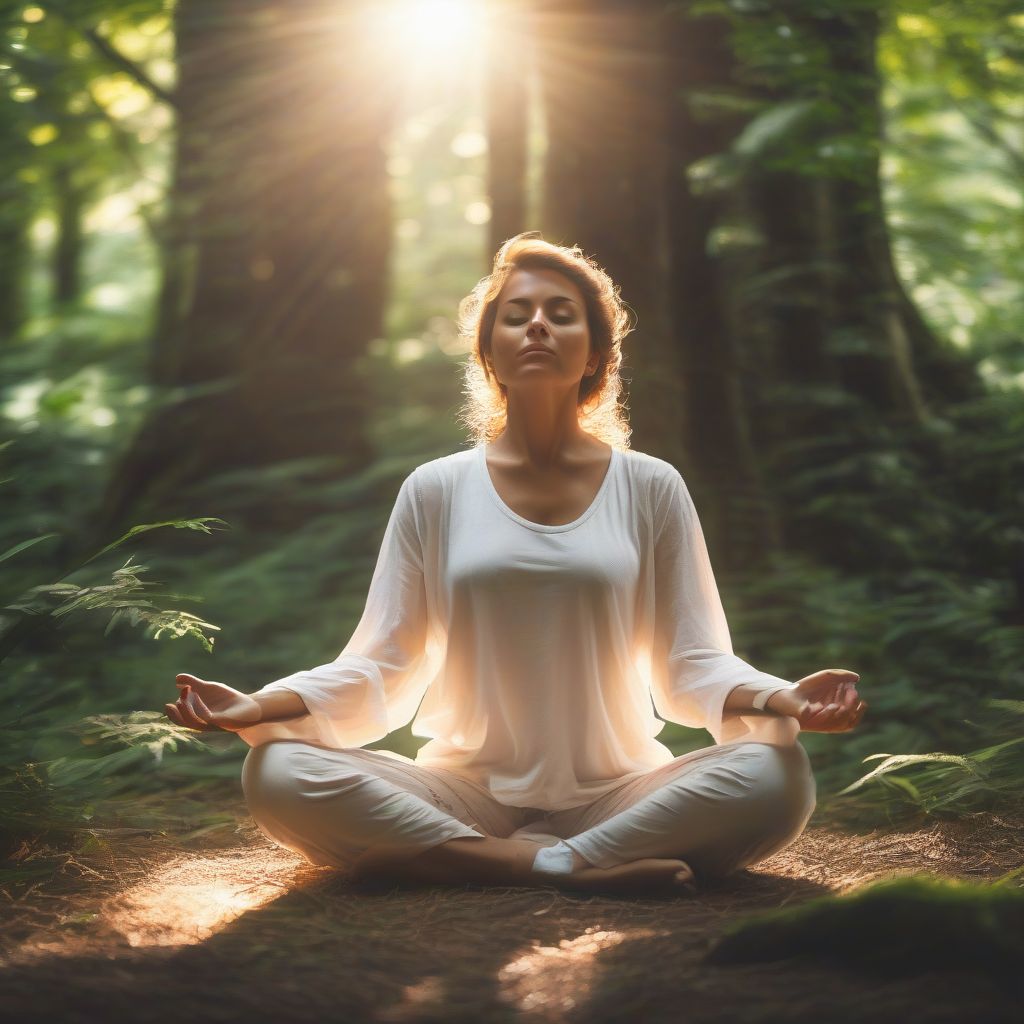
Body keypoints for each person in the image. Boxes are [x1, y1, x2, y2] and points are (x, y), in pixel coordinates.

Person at [164, 232, 866, 896]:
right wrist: (258, 706)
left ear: (594, 353)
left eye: (561, 315)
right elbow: (382, 662)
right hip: (461, 794)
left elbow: (692, 661)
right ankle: (552, 865)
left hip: (622, 794)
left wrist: (786, 700)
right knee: (279, 767)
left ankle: (480, 862)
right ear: (489, 352)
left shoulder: (651, 485)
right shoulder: (435, 489)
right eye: (516, 315)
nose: (537, 326)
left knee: (777, 771)